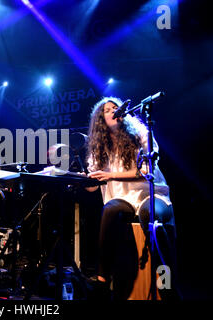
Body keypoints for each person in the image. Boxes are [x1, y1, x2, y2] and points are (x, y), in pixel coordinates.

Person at [84, 96, 179, 300]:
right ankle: (102, 283)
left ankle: (167, 285)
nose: (114, 111)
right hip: (122, 198)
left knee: (149, 215)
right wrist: (84, 181)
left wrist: (109, 175)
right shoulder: (99, 147)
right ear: (101, 120)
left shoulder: (142, 134)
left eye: (116, 108)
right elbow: (93, 187)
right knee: (110, 209)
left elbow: (146, 170)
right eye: (108, 110)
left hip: (151, 193)